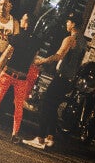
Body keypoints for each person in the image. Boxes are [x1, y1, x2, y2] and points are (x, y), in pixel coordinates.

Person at [23, 15, 87, 149]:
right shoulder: (83, 42)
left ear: (73, 24)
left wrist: (42, 61)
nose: (66, 23)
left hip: (61, 77)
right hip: (70, 79)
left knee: (45, 104)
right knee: (52, 107)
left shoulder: (70, 39)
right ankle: (50, 137)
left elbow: (59, 55)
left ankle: (40, 138)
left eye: (68, 21)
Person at [0, 12, 41, 144]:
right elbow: (33, 60)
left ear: (26, 22)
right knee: (18, 106)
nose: (20, 21)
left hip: (8, 73)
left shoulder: (17, 37)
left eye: (23, 19)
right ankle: (15, 134)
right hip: (22, 78)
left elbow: (5, 55)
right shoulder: (37, 42)